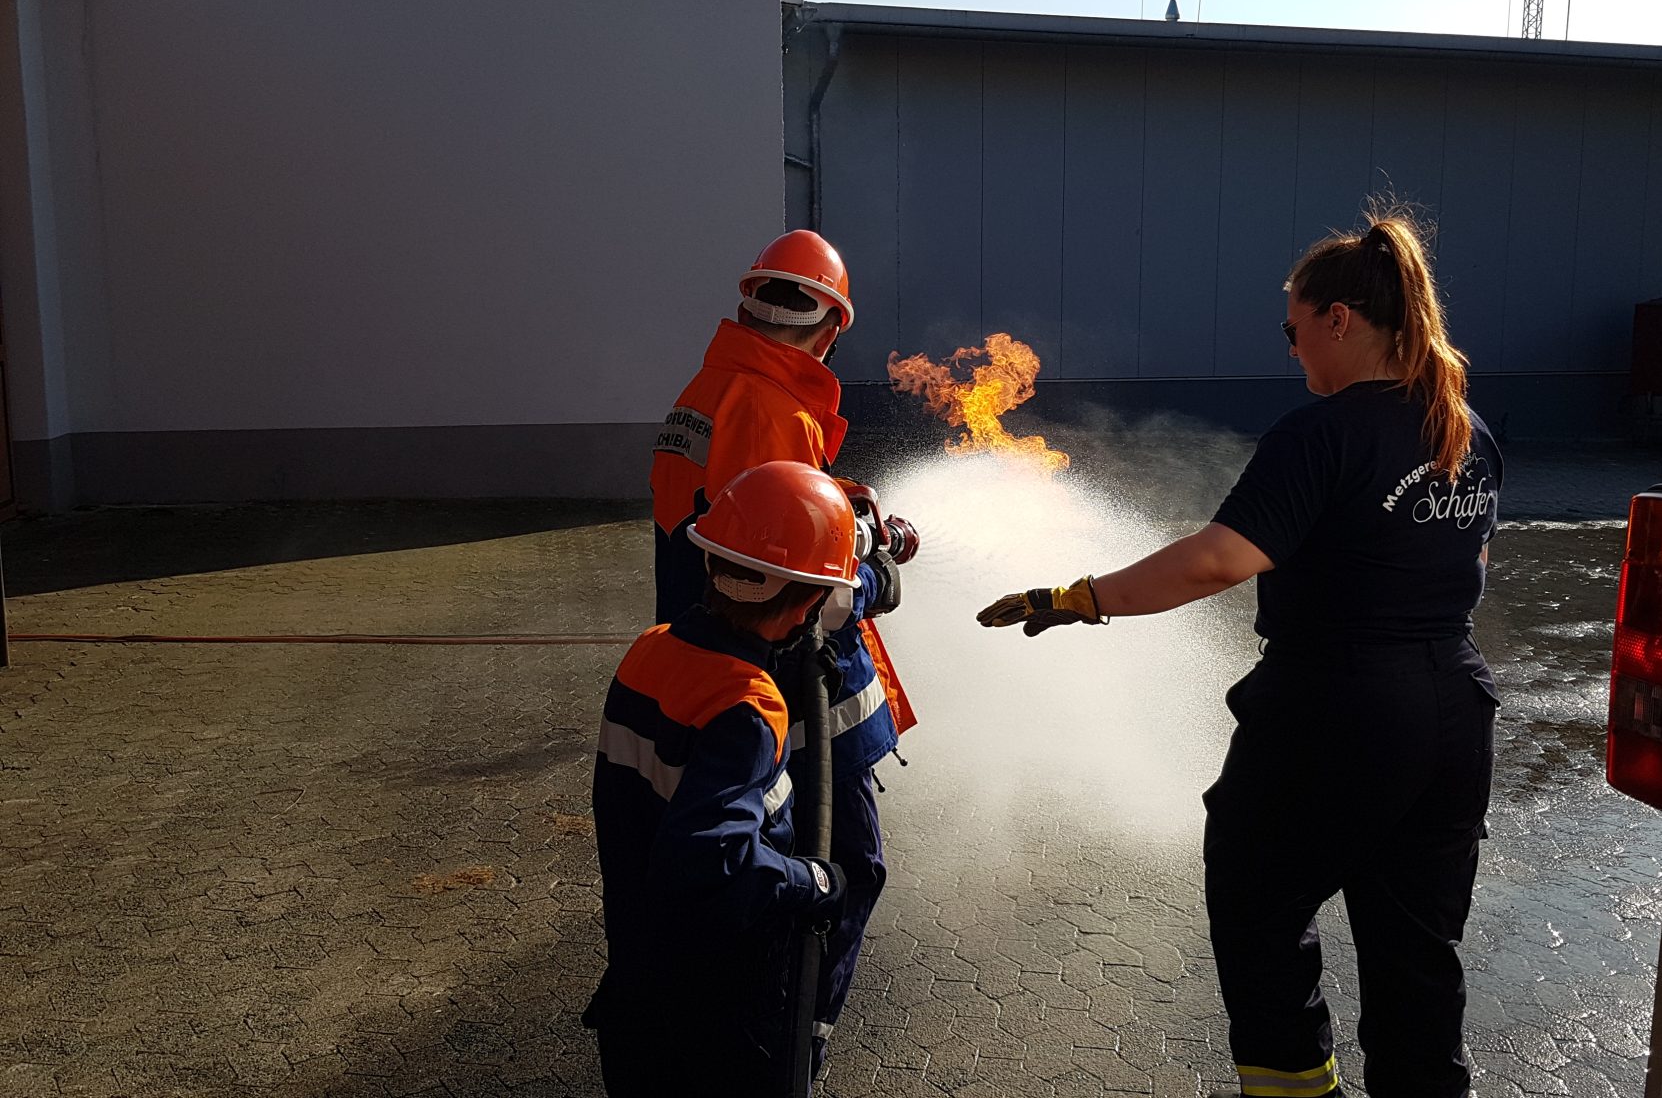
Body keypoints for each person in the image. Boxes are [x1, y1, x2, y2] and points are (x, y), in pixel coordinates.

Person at [978, 210, 1502, 1098]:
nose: (1293, 352)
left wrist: (1074, 599)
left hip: (1335, 714)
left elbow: (1221, 558)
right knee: (1416, 952)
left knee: (1258, 911)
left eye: (1295, 330)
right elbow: (1473, 564)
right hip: (1453, 719)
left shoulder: (1320, 433)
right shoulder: (1465, 429)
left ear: (1339, 319)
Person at [647, 228, 909, 1071]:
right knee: (837, 869)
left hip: (712, 654)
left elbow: (742, 516)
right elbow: (795, 585)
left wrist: (840, 499)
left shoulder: (711, 387)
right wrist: (872, 571)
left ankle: (759, 1034)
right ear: (831, 325)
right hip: (787, 682)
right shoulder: (777, 406)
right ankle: (795, 1045)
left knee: (763, 854)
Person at [583, 460, 856, 1094]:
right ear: (810, 599)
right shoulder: (746, 707)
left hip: (638, 986)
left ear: (711, 561)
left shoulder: (649, 650)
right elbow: (716, 861)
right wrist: (812, 881)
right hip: (717, 1018)